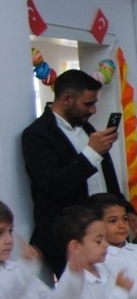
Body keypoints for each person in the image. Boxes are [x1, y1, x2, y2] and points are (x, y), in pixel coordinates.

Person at [22, 70, 122, 277]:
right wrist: (92, 153)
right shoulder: (37, 134)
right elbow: (55, 184)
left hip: (103, 234)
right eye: (88, 104)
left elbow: (104, 176)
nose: (94, 110)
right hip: (71, 238)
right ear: (67, 99)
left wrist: (125, 208)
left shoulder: (86, 128)